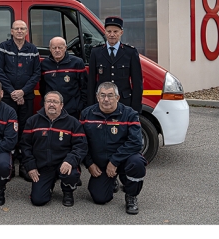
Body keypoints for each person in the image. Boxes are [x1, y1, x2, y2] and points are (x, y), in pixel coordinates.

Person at [80, 82, 147, 214]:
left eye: (110, 95)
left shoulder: (129, 114)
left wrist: (114, 161)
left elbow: (136, 142)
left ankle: (131, 195)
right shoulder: (86, 115)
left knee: (137, 163)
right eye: (102, 95)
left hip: (122, 161)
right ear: (97, 97)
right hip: (100, 164)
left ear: (117, 97)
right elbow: (81, 143)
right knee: (100, 198)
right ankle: (112, 180)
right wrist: (89, 164)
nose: (106, 99)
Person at [20, 91, 88, 207]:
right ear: (44, 104)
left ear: (61, 105)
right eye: (49, 101)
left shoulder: (73, 123)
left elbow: (81, 146)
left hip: (63, 164)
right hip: (43, 166)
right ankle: (48, 184)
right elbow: (25, 146)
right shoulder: (32, 121)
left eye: (55, 102)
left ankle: (68, 191)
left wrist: (70, 161)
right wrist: (30, 166)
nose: (51, 104)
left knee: (71, 174)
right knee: (38, 201)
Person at [0, 20, 41, 180]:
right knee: (8, 129)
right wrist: (13, 92)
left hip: (26, 97)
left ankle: (23, 164)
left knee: (24, 131)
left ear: (26, 31)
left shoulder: (32, 49)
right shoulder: (3, 47)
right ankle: (8, 164)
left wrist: (22, 92)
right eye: (17, 29)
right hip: (8, 97)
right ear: (11, 31)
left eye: (22, 28)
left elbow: (36, 74)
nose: (20, 31)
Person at [87, 16, 143, 113]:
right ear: (104, 32)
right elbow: (91, 82)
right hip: (102, 103)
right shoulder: (96, 52)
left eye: (115, 32)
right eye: (109, 31)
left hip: (124, 102)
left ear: (121, 32)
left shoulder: (130, 52)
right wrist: (91, 106)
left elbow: (137, 82)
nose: (112, 35)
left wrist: (135, 108)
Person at [40, 36, 88, 119]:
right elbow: (42, 88)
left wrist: (80, 107)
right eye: (54, 48)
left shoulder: (77, 63)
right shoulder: (44, 64)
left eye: (60, 47)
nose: (57, 50)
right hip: (51, 110)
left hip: (72, 110)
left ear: (65, 48)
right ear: (50, 49)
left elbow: (85, 87)